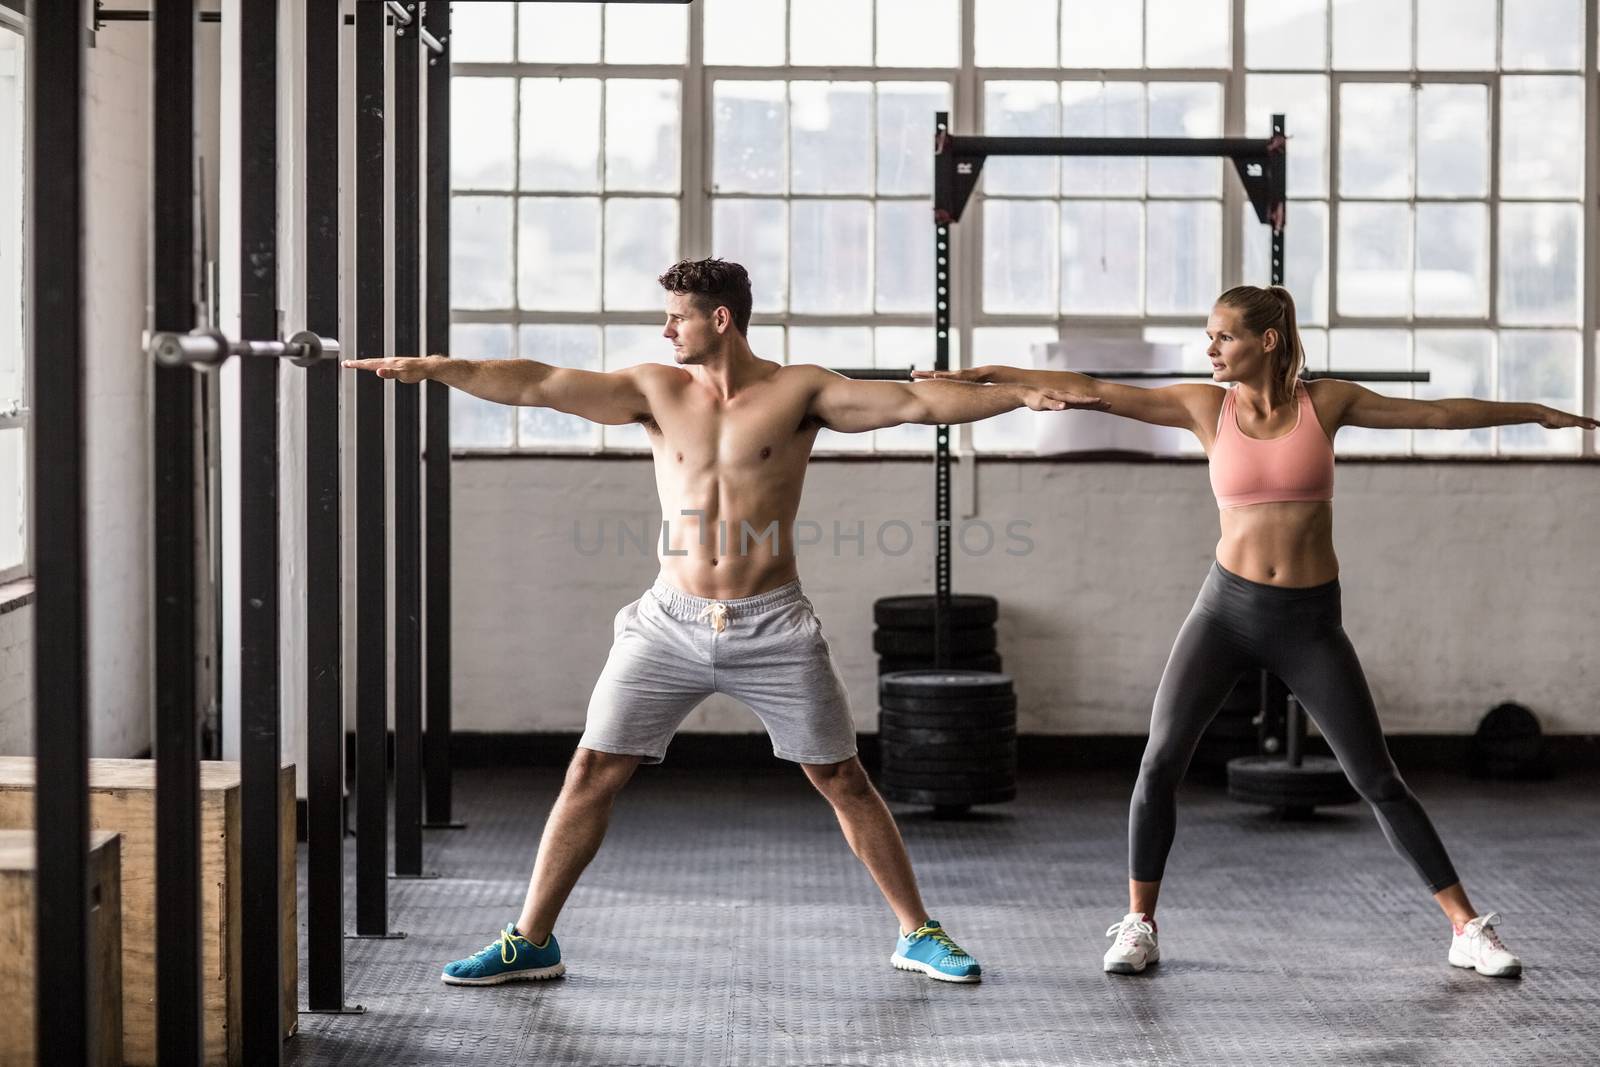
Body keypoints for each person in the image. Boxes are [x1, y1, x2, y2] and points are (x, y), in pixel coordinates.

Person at [345, 257, 1106, 986]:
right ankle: (530, 941)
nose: (664, 331)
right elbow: (540, 382)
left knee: (841, 776)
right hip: (666, 621)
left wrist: (1016, 396)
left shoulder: (800, 391)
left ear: (720, 318)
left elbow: (914, 403)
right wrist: (441, 367)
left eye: (676, 317)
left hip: (771, 623)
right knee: (590, 769)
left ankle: (918, 932)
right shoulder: (654, 389)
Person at [918, 284, 1597, 980]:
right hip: (1226, 611)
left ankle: (1465, 928)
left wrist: (1534, 412)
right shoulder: (1206, 408)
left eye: (1223, 337)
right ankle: (1140, 922)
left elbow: (1437, 410)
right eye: (1209, 337)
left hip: (1309, 623)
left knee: (1378, 777)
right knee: (1159, 762)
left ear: (1266, 341)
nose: (1209, 348)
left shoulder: (1325, 403)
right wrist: (982, 374)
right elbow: (1090, 390)